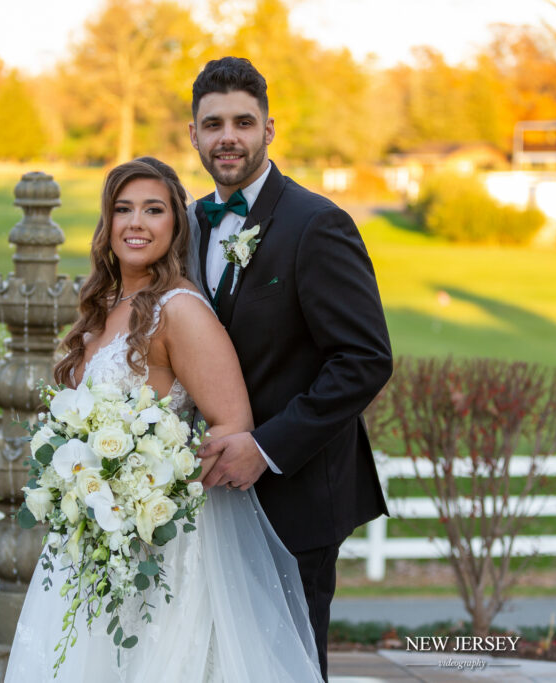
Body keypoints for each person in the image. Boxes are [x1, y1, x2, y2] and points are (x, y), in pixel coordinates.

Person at [5, 157, 324, 682]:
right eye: (122, 209)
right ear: (106, 224)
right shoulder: (104, 305)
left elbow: (231, 426)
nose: (136, 223)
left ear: (176, 224)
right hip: (93, 543)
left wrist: (147, 499)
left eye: (153, 210)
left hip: (161, 547)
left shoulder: (180, 310)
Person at [187, 57, 392, 680]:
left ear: (269, 129)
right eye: (214, 123)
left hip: (295, 496)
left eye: (243, 122)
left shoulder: (316, 224)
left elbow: (364, 360)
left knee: (290, 667)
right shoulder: (187, 223)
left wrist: (267, 448)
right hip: (205, 503)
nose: (229, 136)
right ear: (193, 134)